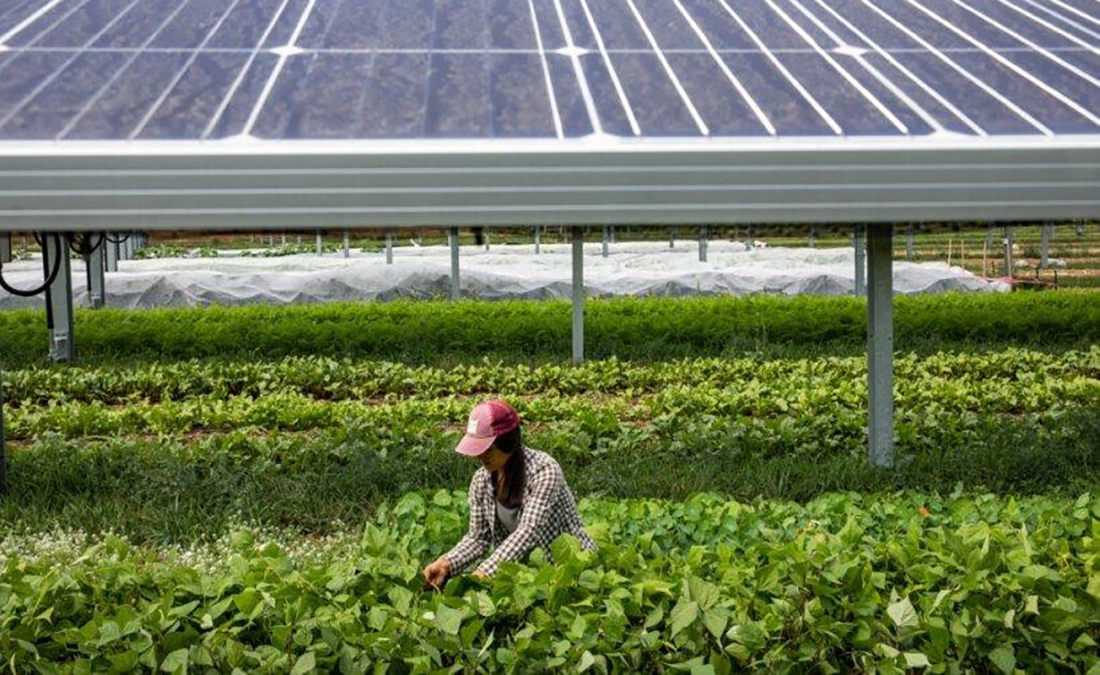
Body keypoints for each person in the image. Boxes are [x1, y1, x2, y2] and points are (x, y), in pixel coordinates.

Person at [422, 399, 595, 586]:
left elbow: (528, 532)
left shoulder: (545, 471)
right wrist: (446, 563)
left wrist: (484, 573)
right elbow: (478, 537)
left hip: (570, 570)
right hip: (525, 574)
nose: (481, 456)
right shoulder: (481, 481)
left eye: (488, 449)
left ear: (508, 442)